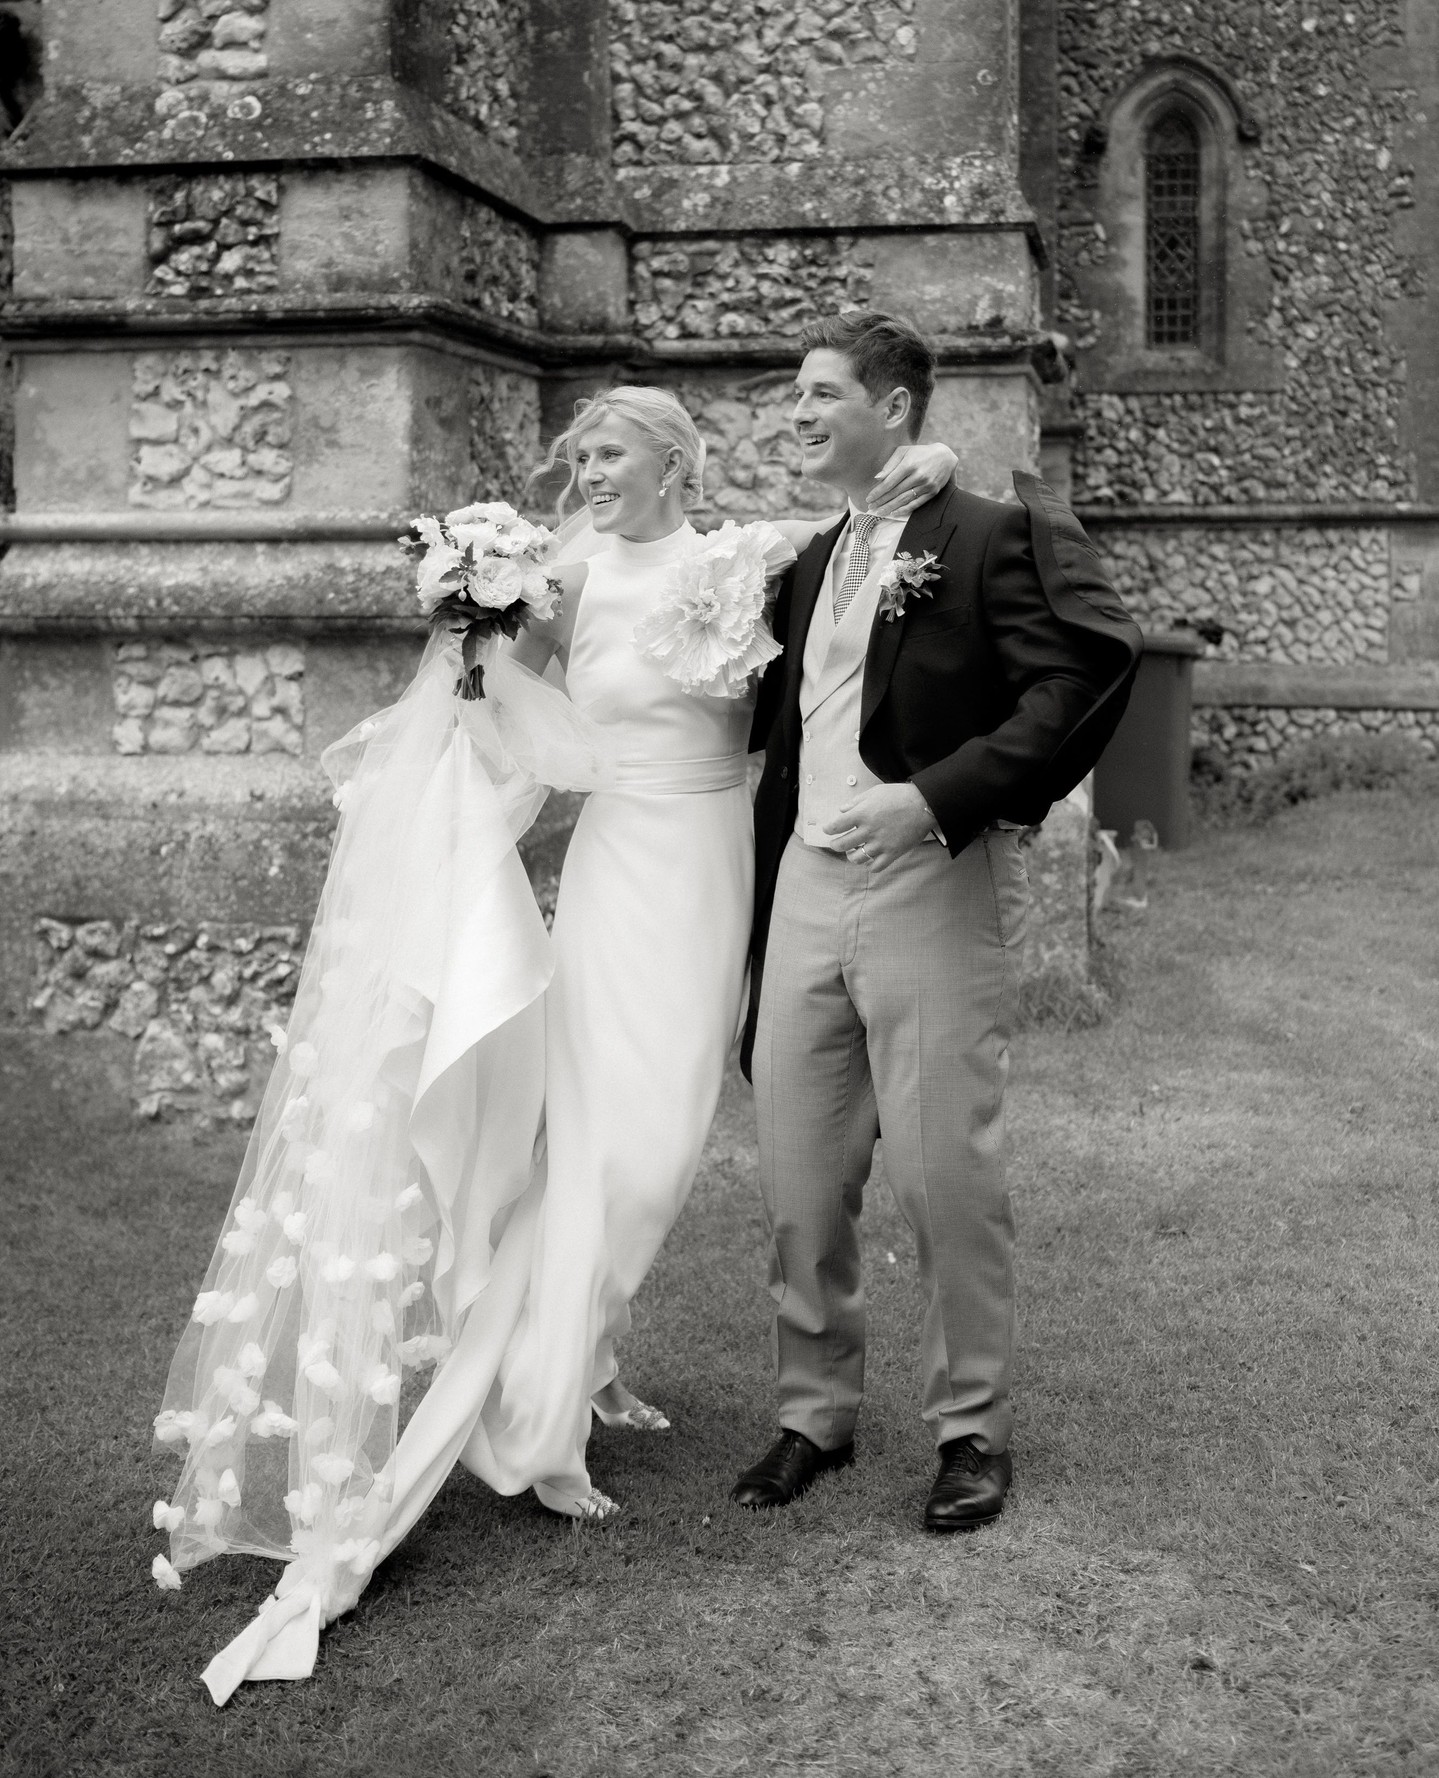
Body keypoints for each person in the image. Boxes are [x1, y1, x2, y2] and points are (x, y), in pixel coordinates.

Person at [152, 383, 959, 1702]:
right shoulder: (555, 579)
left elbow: (856, 571)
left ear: (673, 460)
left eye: (609, 452)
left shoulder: (742, 556)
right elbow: (492, 719)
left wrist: (915, 463)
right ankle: (528, 1422)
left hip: (713, 870)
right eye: (577, 455)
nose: (586, 472)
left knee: (654, 1143)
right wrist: (468, 647)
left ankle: (564, 1371)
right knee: (611, 1148)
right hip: (616, 866)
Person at [733, 313, 1142, 1531]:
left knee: (938, 1173)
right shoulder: (807, 557)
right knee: (801, 1178)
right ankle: (813, 1412)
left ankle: (970, 1429)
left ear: (896, 406)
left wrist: (936, 797)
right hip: (800, 889)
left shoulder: (984, 532)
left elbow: (1079, 671)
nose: (795, 414)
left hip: (924, 883)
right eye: (792, 396)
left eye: (818, 394)